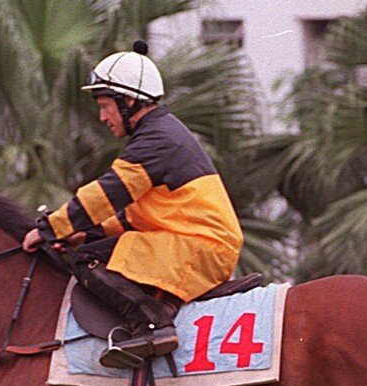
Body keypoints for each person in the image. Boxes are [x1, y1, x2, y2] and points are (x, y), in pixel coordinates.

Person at [23, 41, 243, 368]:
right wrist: (88, 233)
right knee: (92, 247)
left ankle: (153, 325)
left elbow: (104, 195)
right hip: (191, 241)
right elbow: (134, 217)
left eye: (105, 106)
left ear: (128, 101)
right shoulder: (158, 134)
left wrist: (47, 229)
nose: (102, 117)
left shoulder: (156, 140)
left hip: (201, 248)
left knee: (87, 260)